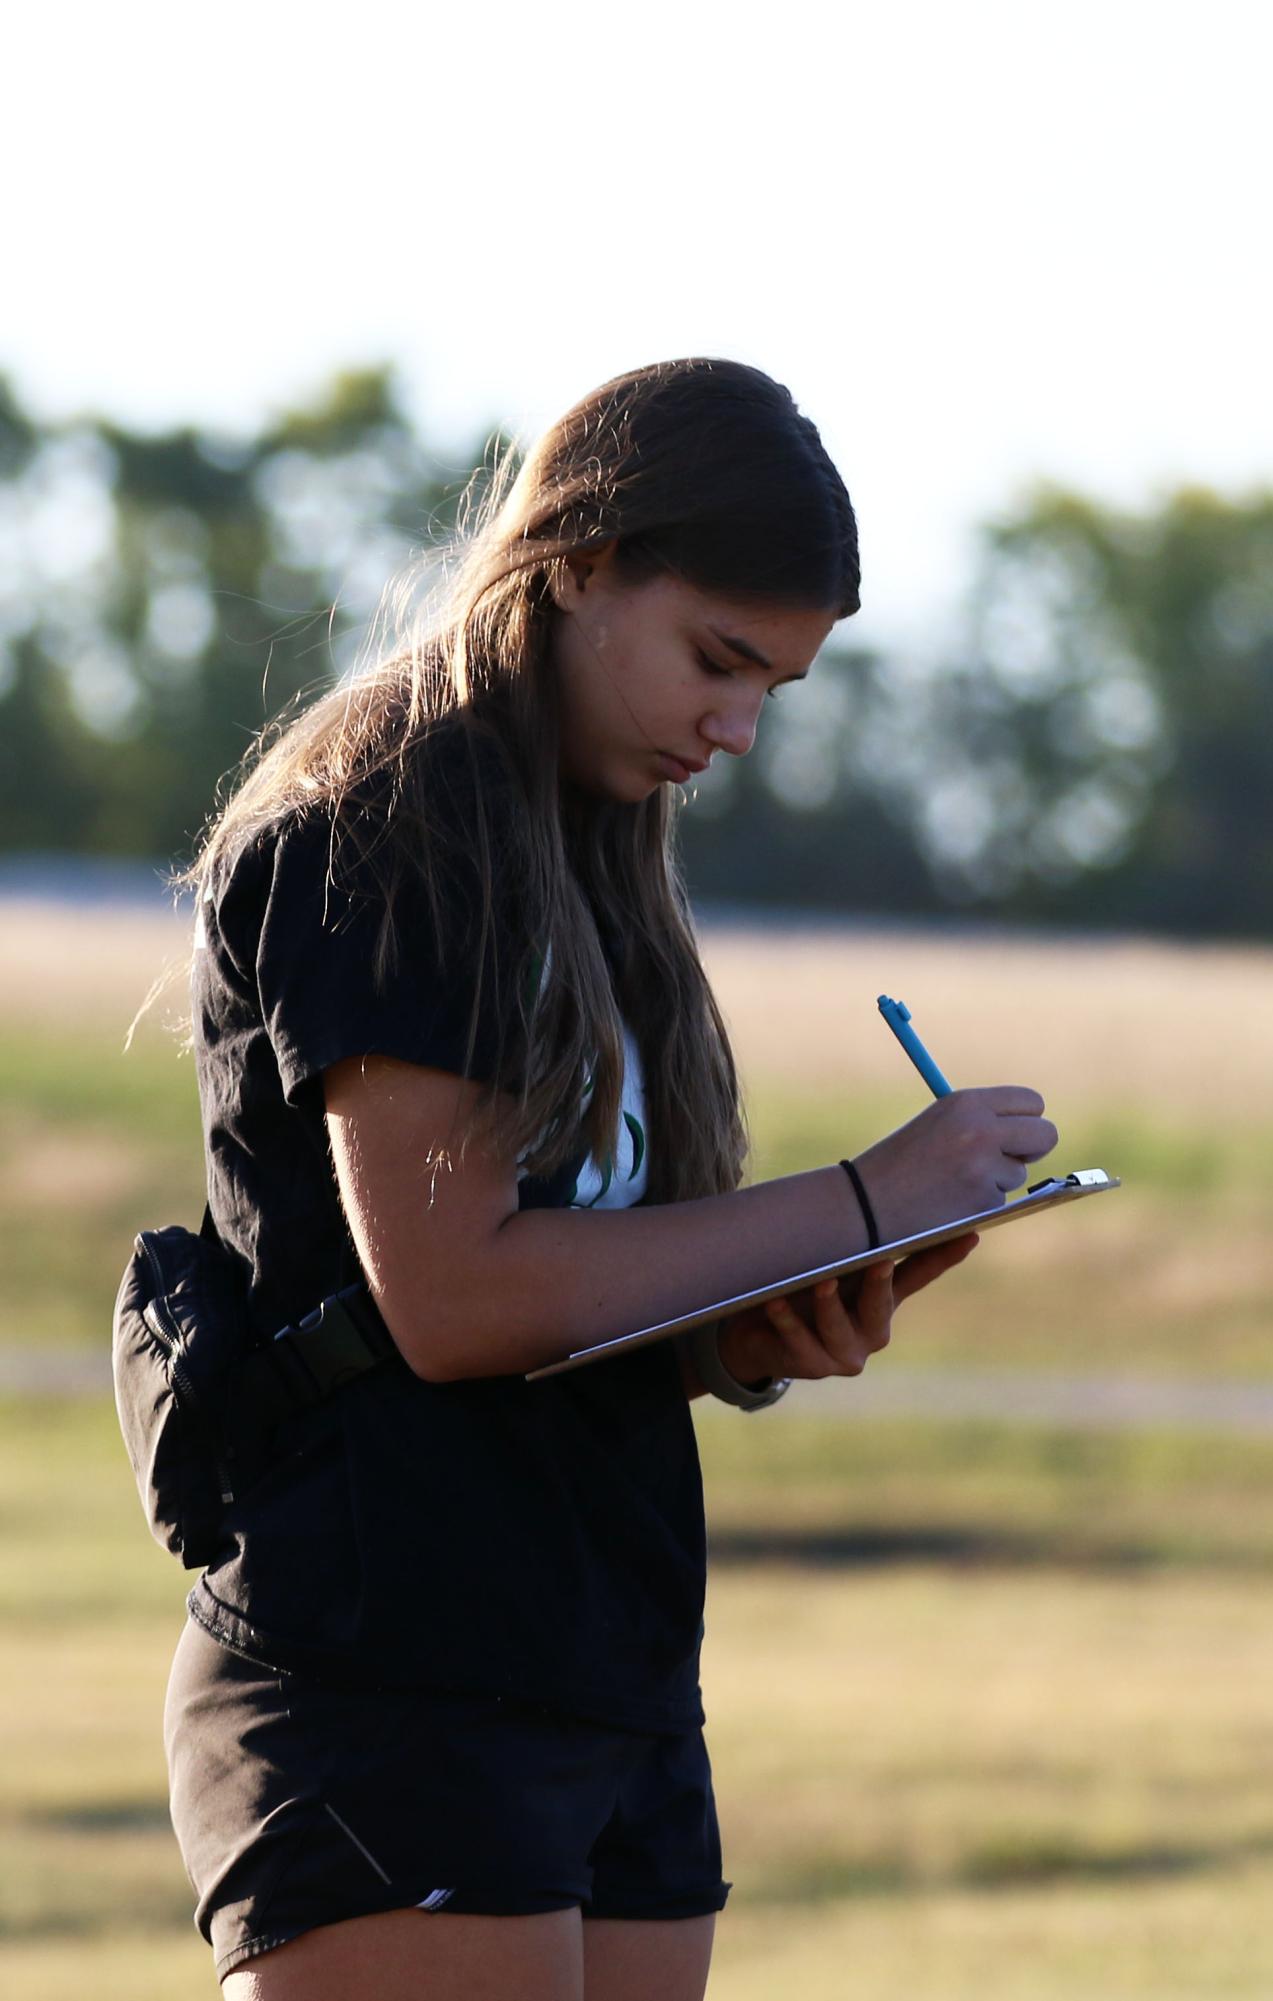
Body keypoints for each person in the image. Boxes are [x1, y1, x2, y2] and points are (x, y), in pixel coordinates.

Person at [161, 356, 1058, 1999]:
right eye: (719, 661)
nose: (738, 725)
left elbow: (591, 1287)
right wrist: (863, 1194)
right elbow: (454, 1299)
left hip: (609, 1652)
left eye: (775, 687)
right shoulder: (386, 828)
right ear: (576, 562)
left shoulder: (594, 857)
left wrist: (754, 1328)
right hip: (394, 1659)